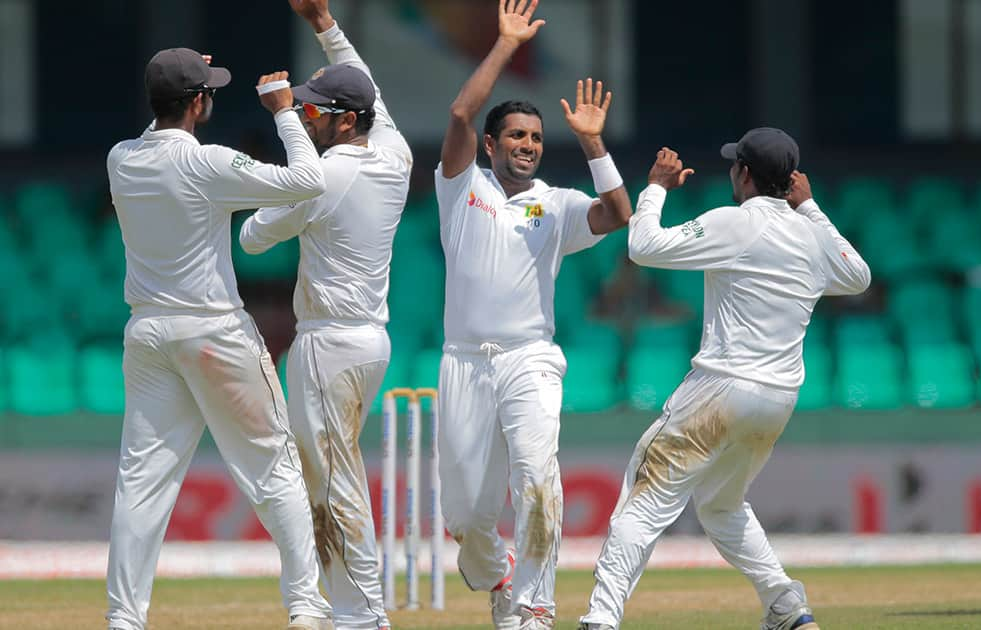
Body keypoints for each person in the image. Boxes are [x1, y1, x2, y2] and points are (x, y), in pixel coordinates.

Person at [577, 128, 872, 630]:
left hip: (721, 388)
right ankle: (786, 607)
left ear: (745, 174)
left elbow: (644, 246)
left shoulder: (734, 223)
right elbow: (858, 276)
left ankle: (601, 620)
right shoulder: (810, 233)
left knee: (643, 501)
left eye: (736, 165)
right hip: (777, 399)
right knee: (720, 505)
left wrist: (656, 188)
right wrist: (812, 209)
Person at [105, 49, 334, 630]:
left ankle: (123, 619)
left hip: (148, 333)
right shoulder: (206, 163)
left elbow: (157, 131)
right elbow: (307, 183)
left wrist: (178, 77)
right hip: (211, 330)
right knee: (273, 466)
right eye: (207, 91)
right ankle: (306, 608)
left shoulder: (122, 158)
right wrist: (285, 112)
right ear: (199, 103)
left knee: (142, 479)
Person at [434, 1, 633, 627]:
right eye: (517, 136)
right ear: (491, 145)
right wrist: (504, 45)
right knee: (464, 515)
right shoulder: (461, 186)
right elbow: (462, 111)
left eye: (538, 139)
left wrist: (594, 142)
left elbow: (619, 215)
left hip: (530, 359)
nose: (528, 146)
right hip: (464, 362)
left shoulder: (559, 204)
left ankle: (534, 606)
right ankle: (495, 570)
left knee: (538, 479)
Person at [239, 0, 412, 627]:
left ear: (343, 122)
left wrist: (284, 120)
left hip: (327, 345)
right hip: (369, 343)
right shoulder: (394, 155)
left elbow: (254, 236)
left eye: (315, 110)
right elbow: (373, 91)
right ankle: (351, 610)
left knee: (335, 483)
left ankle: (364, 617)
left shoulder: (327, 175)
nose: (307, 115)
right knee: (333, 478)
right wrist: (325, 25)